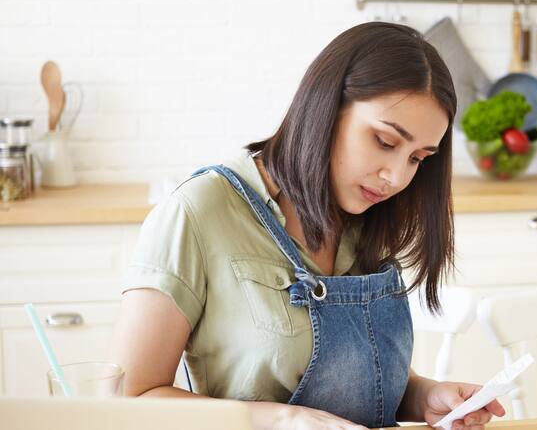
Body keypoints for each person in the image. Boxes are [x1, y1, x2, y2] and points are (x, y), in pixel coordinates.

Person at [110, 22, 505, 430]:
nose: (396, 177)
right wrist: (283, 419)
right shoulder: (197, 212)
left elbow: (358, 376)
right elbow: (130, 401)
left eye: (417, 158)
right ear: (326, 108)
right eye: (385, 142)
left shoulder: (367, 215)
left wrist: (424, 396)